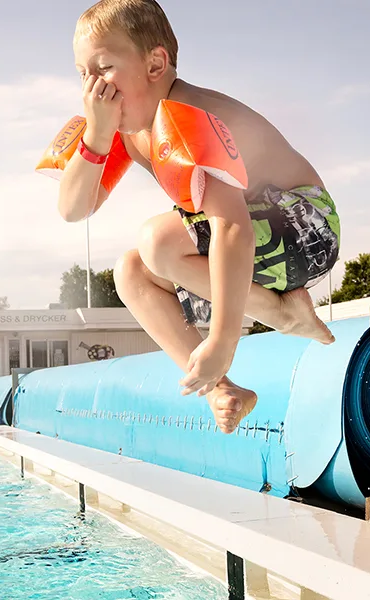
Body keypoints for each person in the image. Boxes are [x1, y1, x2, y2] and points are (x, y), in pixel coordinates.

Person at [47, 0, 340, 434]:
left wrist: (222, 341)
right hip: (261, 244)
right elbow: (73, 208)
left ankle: (281, 316)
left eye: (104, 67)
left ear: (155, 64)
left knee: (157, 241)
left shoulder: (188, 118)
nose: (93, 88)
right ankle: (221, 389)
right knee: (130, 272)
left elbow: (233, 225)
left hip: (307, 226)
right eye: (82, 73)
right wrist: (95, 135)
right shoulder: (127, 132)